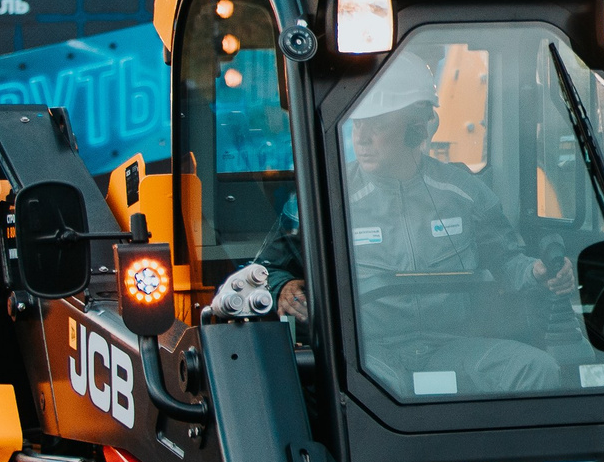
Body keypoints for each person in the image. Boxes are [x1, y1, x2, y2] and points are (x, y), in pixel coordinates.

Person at [241, 60, 568, 396]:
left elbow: (507, 260)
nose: (363, 139)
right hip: (367, 355)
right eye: (358, 126)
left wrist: (538, 272)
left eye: (378, 125)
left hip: (451, 347)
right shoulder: (327, 195)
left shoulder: (463, 191)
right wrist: (282, 287)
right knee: (383, 391)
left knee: (536, 369)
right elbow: (263, 270)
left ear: (417, 128)